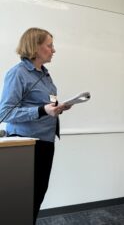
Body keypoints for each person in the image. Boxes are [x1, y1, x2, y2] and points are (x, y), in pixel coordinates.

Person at [0, 27, 72, 223]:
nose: (53, 50)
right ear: (35, 47)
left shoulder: (45, 75)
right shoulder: (18, 74)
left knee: (38, 195)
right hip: (25, 144)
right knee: (22, 200)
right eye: (49, 46)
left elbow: (46, 105)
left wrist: (57, 108)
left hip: (46, 141)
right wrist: (42, 110)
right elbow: (4, 113)